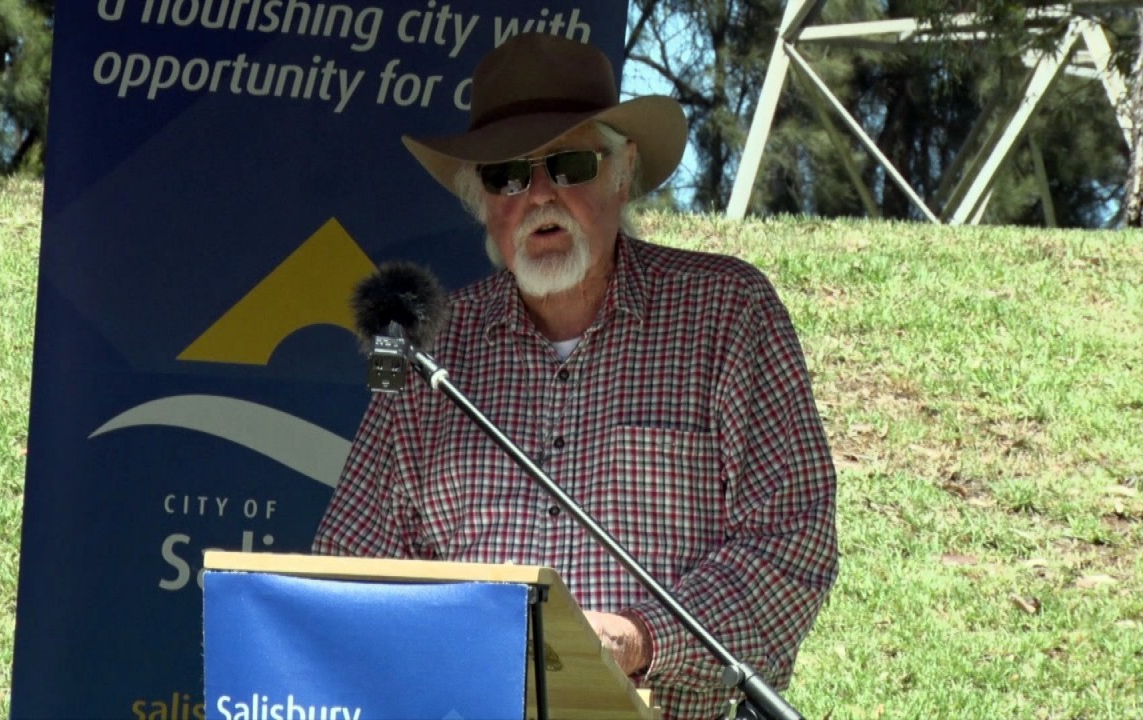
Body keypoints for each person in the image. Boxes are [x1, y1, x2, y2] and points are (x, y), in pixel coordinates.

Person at [313, 32, 839, 720]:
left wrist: (637, 639)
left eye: (568, 163)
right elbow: (348, 578)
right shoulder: (429, 353)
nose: (538, 195)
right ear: (481, 202)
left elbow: (792, 541)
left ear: (623, 174)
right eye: (507, 176)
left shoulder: (727, 312)